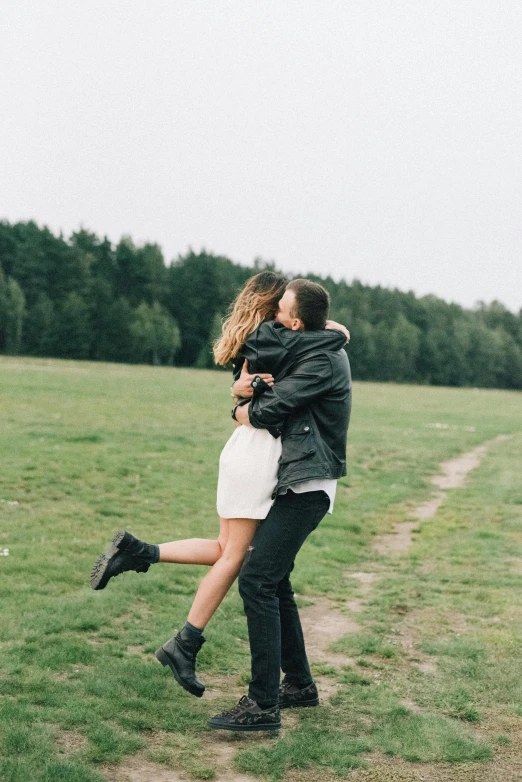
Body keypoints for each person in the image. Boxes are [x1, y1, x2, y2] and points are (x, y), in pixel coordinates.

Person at [90, 272, 349, 701]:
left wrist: (239, 400)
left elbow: (255, 392)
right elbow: (327, 340)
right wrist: (335, 330)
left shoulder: (256, 339)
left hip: (241, 452)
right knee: (239, 559)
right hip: (262, 456)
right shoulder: (283, 340)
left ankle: (142, 553)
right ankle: (185, 642)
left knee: (232, 550)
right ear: (277, 311)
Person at [206, 278, 352, 732]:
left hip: (308, 484)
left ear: (295, 322)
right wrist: (241, 391)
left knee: (257, 580)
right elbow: (248, 353)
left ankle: (262, 704)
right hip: (294, 481)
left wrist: (241, 410)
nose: (271, 319)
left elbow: (272, 409)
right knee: (277, 580)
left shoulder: (322, 359)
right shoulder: (309, 346)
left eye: (280, 312)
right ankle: (300, 686)